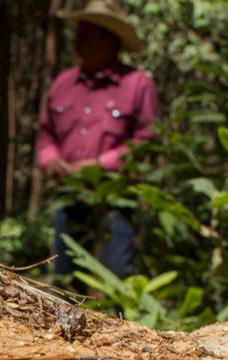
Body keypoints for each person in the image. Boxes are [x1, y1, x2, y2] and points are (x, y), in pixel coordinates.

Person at [35, 0, 161, 282]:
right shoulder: (63, 84)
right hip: (70, 196)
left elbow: (147, 141)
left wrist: (98, 166)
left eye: (86, 36)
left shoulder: (137, 85)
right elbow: (45, 134)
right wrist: (51, 159)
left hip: (116, 198)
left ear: (110, 42)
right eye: (78, 34)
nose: (77, 43)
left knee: (117, 277)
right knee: (65, 279)